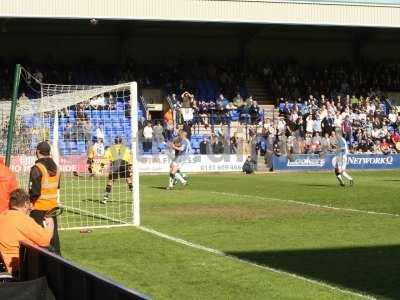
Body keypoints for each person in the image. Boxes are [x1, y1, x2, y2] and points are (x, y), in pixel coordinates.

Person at [0, 189, 53, 274]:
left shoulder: (2, 216)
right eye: (29, 205)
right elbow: (46, 241)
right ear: (25, 204)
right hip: (19, 269)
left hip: (4, 266)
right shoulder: (24, 219)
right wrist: (50, 227)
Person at [29, 141, 61, 254]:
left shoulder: (37, 168)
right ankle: (58, 262)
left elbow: (34, 192)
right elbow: (57, 187)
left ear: (38, 152)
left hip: (38, 208)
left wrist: (28, 203)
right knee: (53, 237)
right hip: (52, 209)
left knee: (37, 240)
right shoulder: (56, 168)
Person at [102, 137, 133, 204]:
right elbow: (130, 157)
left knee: (110, 181)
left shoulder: (111, 148)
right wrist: (130, 166)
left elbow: (106, 157)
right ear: (121, 142)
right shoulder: (125, 148)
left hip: (115, 163)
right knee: (128, 179)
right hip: (123, 163)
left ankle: (105, 198)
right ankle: (134, 197)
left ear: (115, 141)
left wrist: (102, 165)